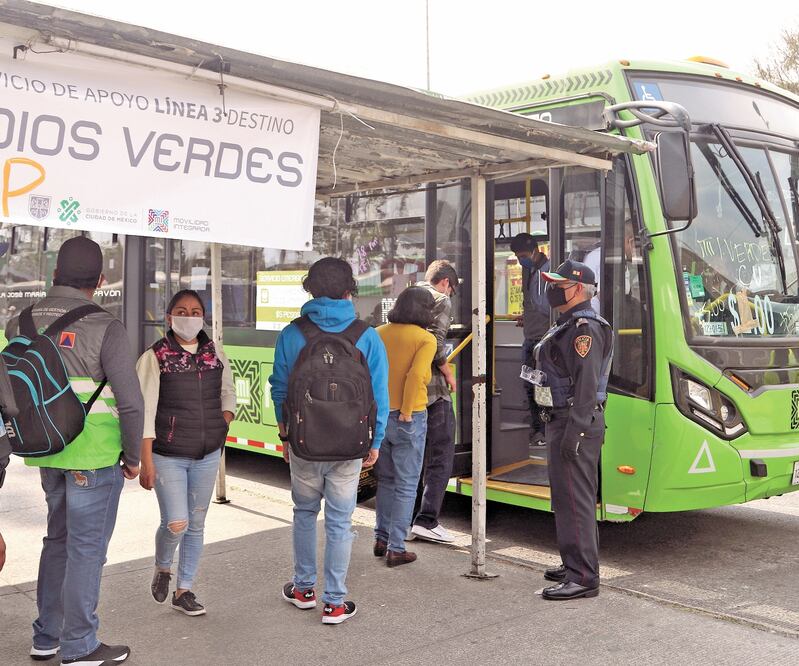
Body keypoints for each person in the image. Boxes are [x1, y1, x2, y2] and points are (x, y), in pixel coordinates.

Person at [4, 236, 144, 665]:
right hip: (93, 456)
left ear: (53, 276)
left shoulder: (18, 322)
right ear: (100, 281)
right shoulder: (106, 327)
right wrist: (133, 455)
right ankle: (80, 644)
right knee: (86, 549)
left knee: (58, 541)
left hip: (45, 449)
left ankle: (46, 636)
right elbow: (131, 402)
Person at [270, 257, 389, 624]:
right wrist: (375, 442)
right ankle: (335, 603)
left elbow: (279, 391)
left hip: (305, 441)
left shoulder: (293, 333)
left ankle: (304, 589)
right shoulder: (366, 335)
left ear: (309, 289)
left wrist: (287, 434)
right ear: (348, 291)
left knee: (305, 513)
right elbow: (379, 396)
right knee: (340, 522)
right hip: (350, 445)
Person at [135, 289, 236, 617]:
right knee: (177, 522)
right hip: (168, 454)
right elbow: (144, 410)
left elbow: (228, 391)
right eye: (182, 311)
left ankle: (184, 590)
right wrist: (145, 460)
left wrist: (224, 421)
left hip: (208, 454)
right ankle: (164, 566)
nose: (189, 317)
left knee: (197, 523)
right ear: (169, 317)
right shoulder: (155, 356)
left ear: (203, 317)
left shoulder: (215, 351)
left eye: (195, 312)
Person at [534, 259, 613, 601]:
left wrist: (575, 434)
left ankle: (583, 577)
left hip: (575, 421)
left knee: (576, 500)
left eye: (559, 284)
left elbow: (586, 387)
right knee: (565, 499)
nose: (552, 289)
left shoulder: (584, 328)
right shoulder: (567, 323)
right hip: (562, 419)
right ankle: (574, 562)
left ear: (579, 288)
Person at [374, 287, 437, 567]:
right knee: (407, 484)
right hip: (408, 417)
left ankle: (381, 537)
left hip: (379, 416)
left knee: (386, 480)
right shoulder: (426, 339)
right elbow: (415, 376)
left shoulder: (378, 333)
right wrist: (408, 411)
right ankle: (396, 548)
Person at [411, 260, 459, 544]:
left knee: (413, 459)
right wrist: (447, 370)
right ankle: (427, 520)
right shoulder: (440, 300)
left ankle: (407, 520)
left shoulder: (407, 297)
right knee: (440, 457)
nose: (450, 293)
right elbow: (435, 343)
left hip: (408, 392)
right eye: (451, 289)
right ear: (444, 283)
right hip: (433, 391)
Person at [510, 233, 550, 445]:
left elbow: (545, 306)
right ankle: (536, 428)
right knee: (529, 385)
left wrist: (533, 315)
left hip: (543, 340)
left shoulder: (548, 271)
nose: (520, 260)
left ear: (536, 250)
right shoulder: (529, 270)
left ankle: (543, 430)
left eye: (523, 255)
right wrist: (527, 317)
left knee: (541, 387)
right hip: (530, 337)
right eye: (517, 256)